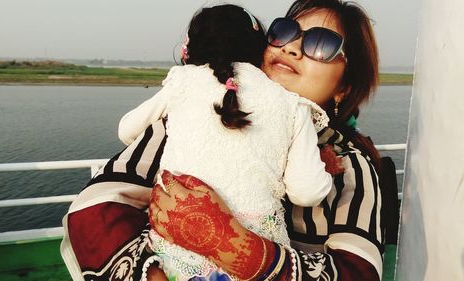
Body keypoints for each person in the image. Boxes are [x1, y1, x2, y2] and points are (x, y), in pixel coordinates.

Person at [61, 0, 383, 280]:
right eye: (284, 31)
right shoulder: (200, 115)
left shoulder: (351, 166)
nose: (292, 47)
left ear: (345, 86)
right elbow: (95, 209)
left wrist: (240, 248)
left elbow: (358, 272)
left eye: (322, 44)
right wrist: (155, 276)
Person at [117, 4, 332, 280]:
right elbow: (307, 193)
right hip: (251, 258)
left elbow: (126, 130)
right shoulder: (292, 104)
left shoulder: (183, 81)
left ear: (191, 48)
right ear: (259, 48)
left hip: (175, 253)